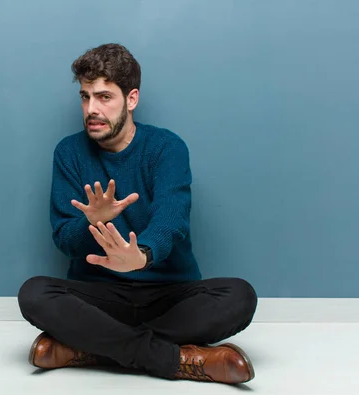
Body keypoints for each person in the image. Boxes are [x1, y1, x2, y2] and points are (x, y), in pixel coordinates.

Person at [17, 43, 258, 384]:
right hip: (100, 297)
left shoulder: (166, 147)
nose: (91, 109)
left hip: (167, 294)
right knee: (34, 293)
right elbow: (64, 240)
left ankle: (90, 347)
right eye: (85, 97)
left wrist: (141, 256)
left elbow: (171, 220)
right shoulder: (69, 152)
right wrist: (93, 221)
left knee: (239, 296)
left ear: (131, 100)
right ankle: (178, 360)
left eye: (104, 97)